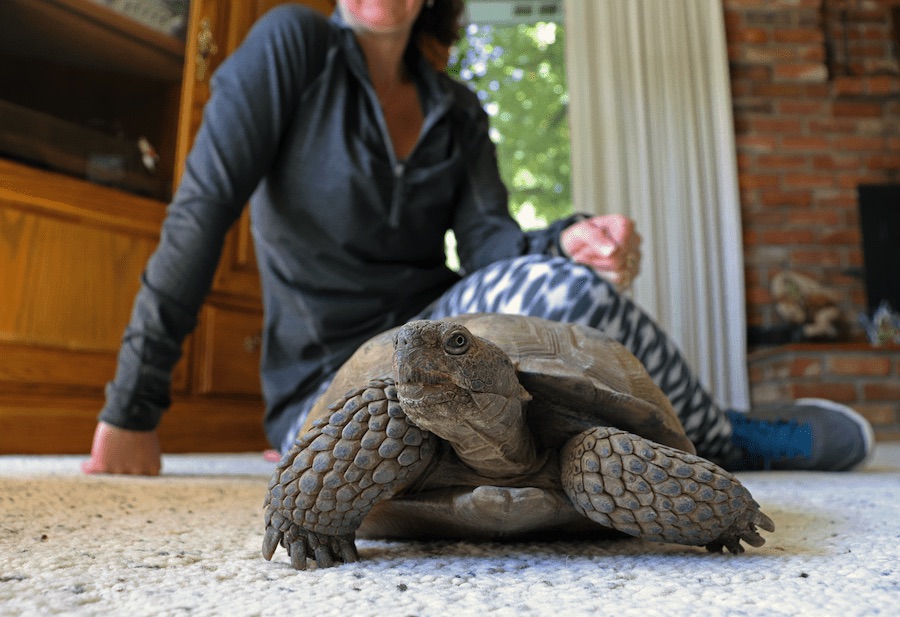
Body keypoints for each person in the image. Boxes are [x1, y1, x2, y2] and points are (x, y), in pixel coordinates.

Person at [82, 0, 873, 476]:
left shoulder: (457, 110)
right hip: (323, 390)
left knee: (566, 291)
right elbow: (200, 212)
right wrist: (133, 406)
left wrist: (570, 241)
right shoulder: (291, 49)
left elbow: (494, 253)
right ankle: (712, 433)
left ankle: (711, 433)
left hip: (441, 347)